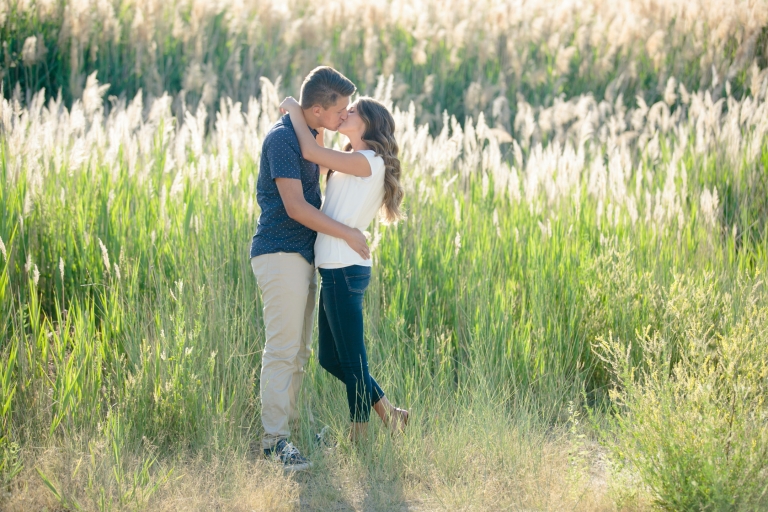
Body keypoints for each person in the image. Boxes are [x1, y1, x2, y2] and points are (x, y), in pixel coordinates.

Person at [250, 66, 370, 471]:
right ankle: (274, 443)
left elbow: (320, 168)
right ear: (317, 109)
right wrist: (348, 233)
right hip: (280, 252)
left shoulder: (307, 133)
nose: (344, 116)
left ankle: (290, 434)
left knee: (298, 353)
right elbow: (296, 207)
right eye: (339, 111)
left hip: (302, 256)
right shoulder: (283, 139)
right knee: (283, 350)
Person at [280, 94, 409, 443]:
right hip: (336, 266)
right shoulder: (351, 160)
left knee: (351, 359)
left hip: (344, 268)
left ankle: (359, 435)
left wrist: (295, 111)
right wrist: (319, 124)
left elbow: (311, 153)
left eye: (351, 111)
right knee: (331, 359)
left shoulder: (368, 161)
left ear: (367, 124)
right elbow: (319, 160)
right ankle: (390, 413)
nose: (345, 113)